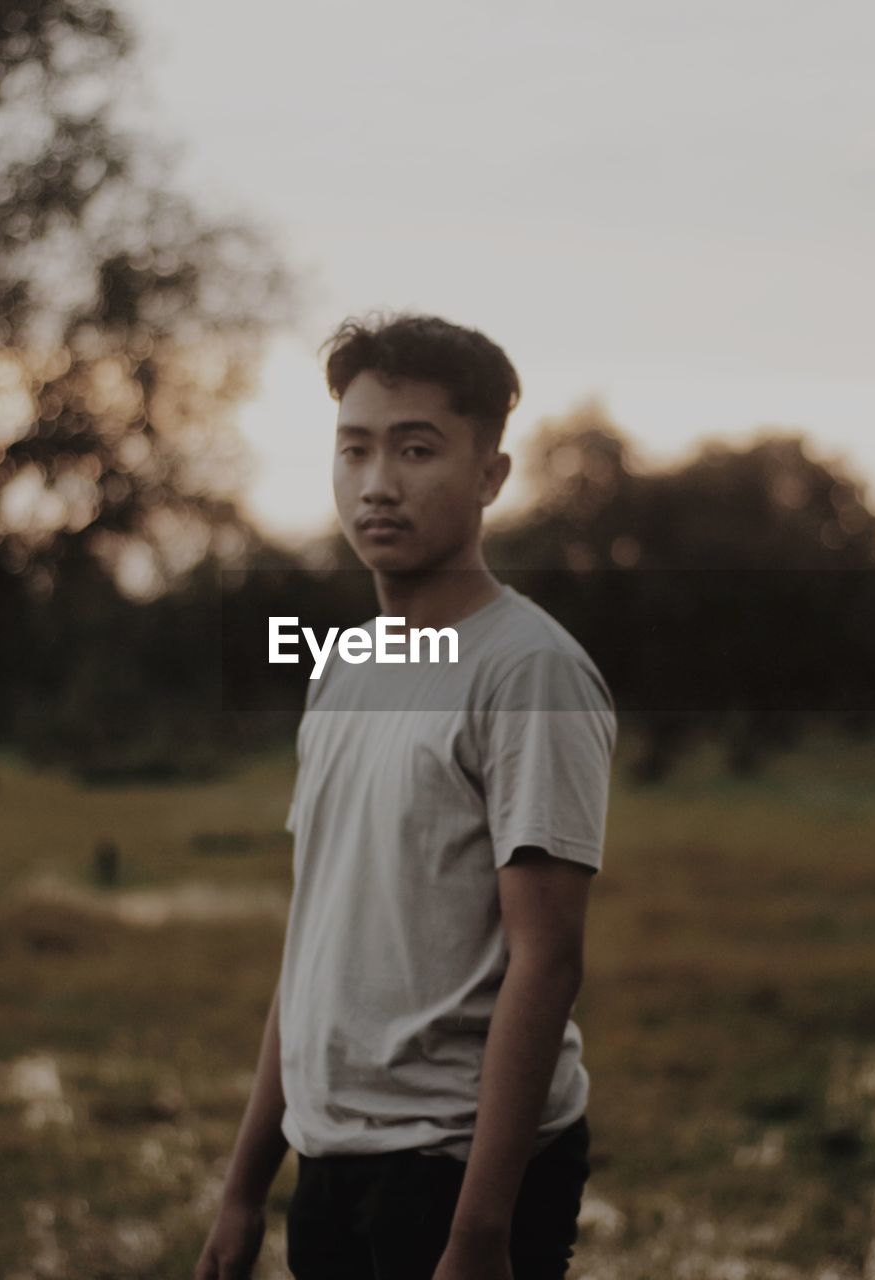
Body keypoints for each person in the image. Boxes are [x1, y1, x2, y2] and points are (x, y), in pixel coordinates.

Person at [193, 314, 616, 1280]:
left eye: (416, 449)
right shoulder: (345, 665)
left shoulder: (530, 671)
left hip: (456, 1174)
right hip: (333, 1158)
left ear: (489, 477)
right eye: (355, 449)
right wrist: (244, 1185)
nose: (378, 483)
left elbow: (547, 960)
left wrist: (478, 1235)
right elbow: (315, 943)